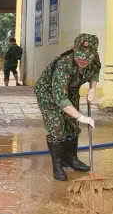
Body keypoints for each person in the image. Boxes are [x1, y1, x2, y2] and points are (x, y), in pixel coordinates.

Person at [34, 33, 101, 181]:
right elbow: (60, 98)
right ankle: (57, 165)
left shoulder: (94, 58)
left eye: (87, 57)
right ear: (74, 50)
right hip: (49, 93)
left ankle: (71, 159)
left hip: (70, 90)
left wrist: (92, 89)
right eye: (80, 57)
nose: (83, 60)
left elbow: (95, 72)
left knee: (72, 125)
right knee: (57, 126)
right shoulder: (64, 64)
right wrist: (81, 116)